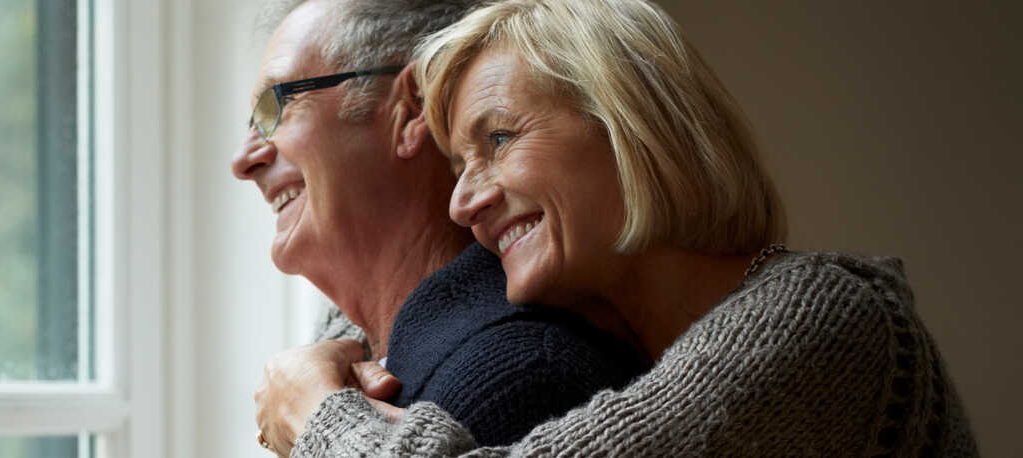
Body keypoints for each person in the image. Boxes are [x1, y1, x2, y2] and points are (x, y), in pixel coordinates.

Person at [254, 0, 980, 456]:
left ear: (631, 127)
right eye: (458, 161)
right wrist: (324, 351)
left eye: (499, 139)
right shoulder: (629, 341)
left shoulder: (823, 315)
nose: (463, 201)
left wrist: (318, 412)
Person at [235, 0, 647, 454]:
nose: (243, 159)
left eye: (278, 104)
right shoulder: (346, 359)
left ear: (411, 109)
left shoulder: (516, 371)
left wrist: (315, 416)